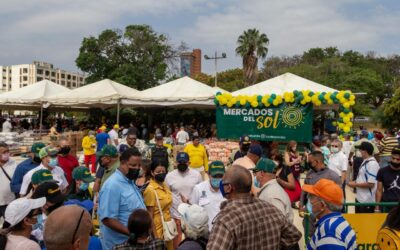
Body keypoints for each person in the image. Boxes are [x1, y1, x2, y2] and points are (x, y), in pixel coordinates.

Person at [207, 165, 301, 250]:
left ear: (228, 188)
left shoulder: (226, 220)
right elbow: (294, 235)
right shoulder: (271, 209)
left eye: (222, 181)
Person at [98, 148, 145, 249]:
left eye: (139, 165)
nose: (137, 168)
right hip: (119, 244)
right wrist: (132, 234)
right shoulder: (112, 186)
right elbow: (108, 219)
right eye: (133, 165)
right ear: (122, 163)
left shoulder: (129, 181)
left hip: (133, 243)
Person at [302, 179, 357, 249]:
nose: (309, 200)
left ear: (322, 205)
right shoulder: (338, 221)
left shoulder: (329, 233)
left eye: (311, 197)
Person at [165, 152, 202, 249]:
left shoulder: (196, 175)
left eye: (184, 162)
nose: (181, 164)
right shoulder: (169, 176)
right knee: (177, 242)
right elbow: (167, 194)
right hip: (176, 215)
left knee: (192, 242)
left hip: (192, 215)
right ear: (175, 163)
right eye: (179, 162)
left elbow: (200, 193)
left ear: (189, 163)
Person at [299, 151, 341, 235]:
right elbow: (304, 190)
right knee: (309, 234)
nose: (308, 163)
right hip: (310, 212)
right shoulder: (310, 173)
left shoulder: (333, 176)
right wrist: (301, 204)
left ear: (318, 161)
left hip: (324, 214)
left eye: (310, 161)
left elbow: (339, 198)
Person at [143, 160, 173, 249]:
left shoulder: (165, 186)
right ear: (152, 173)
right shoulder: (150, 190)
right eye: (158, 172)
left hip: (167, 227)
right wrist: (156, 238)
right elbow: (149, 215)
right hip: (158, 229)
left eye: (163, 171)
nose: (161, 173)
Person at [254, 158, 293, 222]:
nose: (254, 175)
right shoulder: (271, 189)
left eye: (256, 172)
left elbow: (278, 224)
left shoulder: (271, 195)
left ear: (262, 173)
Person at [189, 161, 225, 231]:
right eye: (215, 176)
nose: (218, 179)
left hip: (223, 233)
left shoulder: (228, 190)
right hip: (205, 234)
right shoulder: (199, 189)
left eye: (220, 176)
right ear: (208, 174)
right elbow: (192, 211)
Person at [348, 141, 380, 213]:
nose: (359, 151)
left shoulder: (372, 164)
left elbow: (371, 184)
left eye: (360, 150)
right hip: (361, 199)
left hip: (367, 201)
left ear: (365, 151)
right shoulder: (365, 161)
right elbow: (362, 178)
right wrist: (352, 182)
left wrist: (354, 185)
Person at [376, 147, 400, 212]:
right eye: (393, 158)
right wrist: (377, 207)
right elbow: (379, 190)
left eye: (398, 159)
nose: (395, 161)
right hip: (386, 205)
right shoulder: (382, 171)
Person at [0, 142, 17, 221]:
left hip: (9, 203)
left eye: (8, 151)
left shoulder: (14, 164)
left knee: (10, 225)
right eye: (4, 152)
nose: (7, 154)